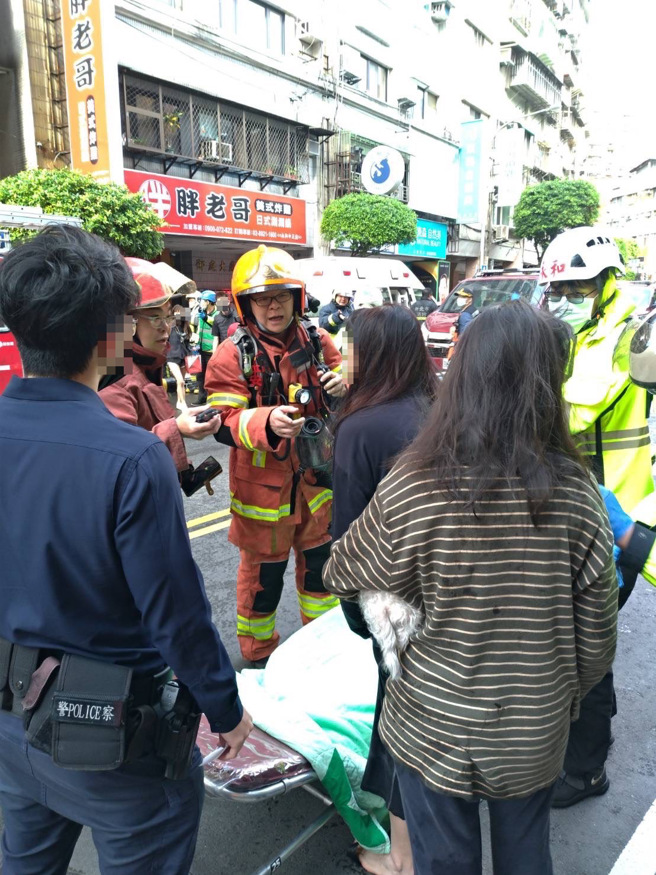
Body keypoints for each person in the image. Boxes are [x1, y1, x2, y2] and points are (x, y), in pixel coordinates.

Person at [324, 300, 617, 875]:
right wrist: (561, 697)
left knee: (444, 860)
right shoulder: (577, 492)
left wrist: (403, 620)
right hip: (533, 725)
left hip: (432, 721)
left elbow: (344, 570)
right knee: (526, 854)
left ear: (461, 376)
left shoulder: (414, 480)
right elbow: (597, 639)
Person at [0, 225, 252, 873]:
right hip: (116, 741)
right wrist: (225, 709)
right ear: (112, 334)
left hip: (11, 723)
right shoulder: (132, 457)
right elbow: (177, 614)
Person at [541, 227, 654, 807]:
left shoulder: (634, 332)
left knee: (588, 647)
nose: (564, 294)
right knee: (570, 641)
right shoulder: (582, 327)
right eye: (557, 286)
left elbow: (579, 408)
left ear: (606, 281)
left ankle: (586, 771)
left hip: (620, 517)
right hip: (581, 510)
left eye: (575, 284)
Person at [332, 304, 438, 875]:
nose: (344, 356)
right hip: (448, 588)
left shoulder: (363, 425)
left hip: (392, 598)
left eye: (351, 346)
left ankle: (401, 857)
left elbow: (348, 529)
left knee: (401, 714)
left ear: (372, 355)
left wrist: (353, 610)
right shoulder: (438, 407)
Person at [205, 245, 346, 665]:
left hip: (317, 486)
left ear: (296, 298)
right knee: (262, 583)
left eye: (281, 296)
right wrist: (264, 421)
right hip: (262, 498)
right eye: (262, 298)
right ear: (246, 305)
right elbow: (222, 421)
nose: (273, 306)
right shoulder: (232, 354)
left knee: (322, 573)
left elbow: (346, 377)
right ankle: (258, 655)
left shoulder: (319, 341)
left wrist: (343, 386)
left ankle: (322, 651)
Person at [100, 258, 220, 476]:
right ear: (126, 323)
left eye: (167, 317)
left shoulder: (146, 367)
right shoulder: (114, 376)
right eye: (155, 318)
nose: (166, 329)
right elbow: (120, 456)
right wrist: (177, 429)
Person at [193, 290, 218, 405]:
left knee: (211, 376)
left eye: (202, 300)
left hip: (211, 351)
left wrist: (206, 318)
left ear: (208, 302)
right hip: (201, 349)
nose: (201, 302)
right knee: (200, 375)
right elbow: (199, 329)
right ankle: (201, 397)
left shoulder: (217, 314)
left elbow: (216, 323)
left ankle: (211, 398)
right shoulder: (202, 312)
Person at [167, 303, 193, 411]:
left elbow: (187, 343)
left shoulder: (185, 327)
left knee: (181, 382)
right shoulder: (170, 326)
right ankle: (183, 404)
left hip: (183, 357)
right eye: (176, 312)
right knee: (180, 381)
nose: (178, 314)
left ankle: (180, 402)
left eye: (180, 312)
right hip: (171, 357)